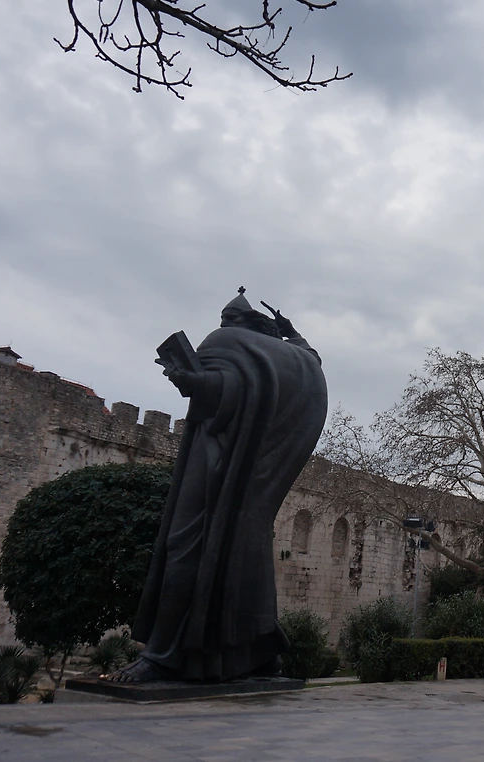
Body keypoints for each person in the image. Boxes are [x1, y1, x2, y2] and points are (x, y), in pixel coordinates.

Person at [113, 289, 327, 683]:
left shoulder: (227, 341)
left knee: (184, 546)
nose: (224, 324)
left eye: (228, 318)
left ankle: (162, 656)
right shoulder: (292, 359)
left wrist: (192, 380)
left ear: (240, 323)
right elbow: (309, 361)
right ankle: (256, 653)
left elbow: (229, 390)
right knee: (241, 552)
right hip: (247, 478)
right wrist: (293, 333)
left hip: (215, 462)